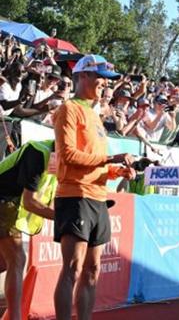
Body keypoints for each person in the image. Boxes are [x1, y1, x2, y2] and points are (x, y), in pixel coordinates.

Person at [52, 54, 136, 320]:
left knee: (93, 269)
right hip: (75, 195)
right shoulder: (69, 109)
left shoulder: (94, 114)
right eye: (100, 77)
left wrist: (117, 171)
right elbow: (68, 156)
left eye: (107, 80)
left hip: (98, 197)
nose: (104, 84)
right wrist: (111, 159)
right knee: (73, 268)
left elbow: (95, 162)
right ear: (83, 76)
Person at [0, 139, 56, 320]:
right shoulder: (38, 152)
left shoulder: (65, 156)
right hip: (3, 197)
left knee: (5, 262)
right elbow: (30, 202)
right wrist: (63, 217)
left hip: (9, 200)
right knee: (16, 258)